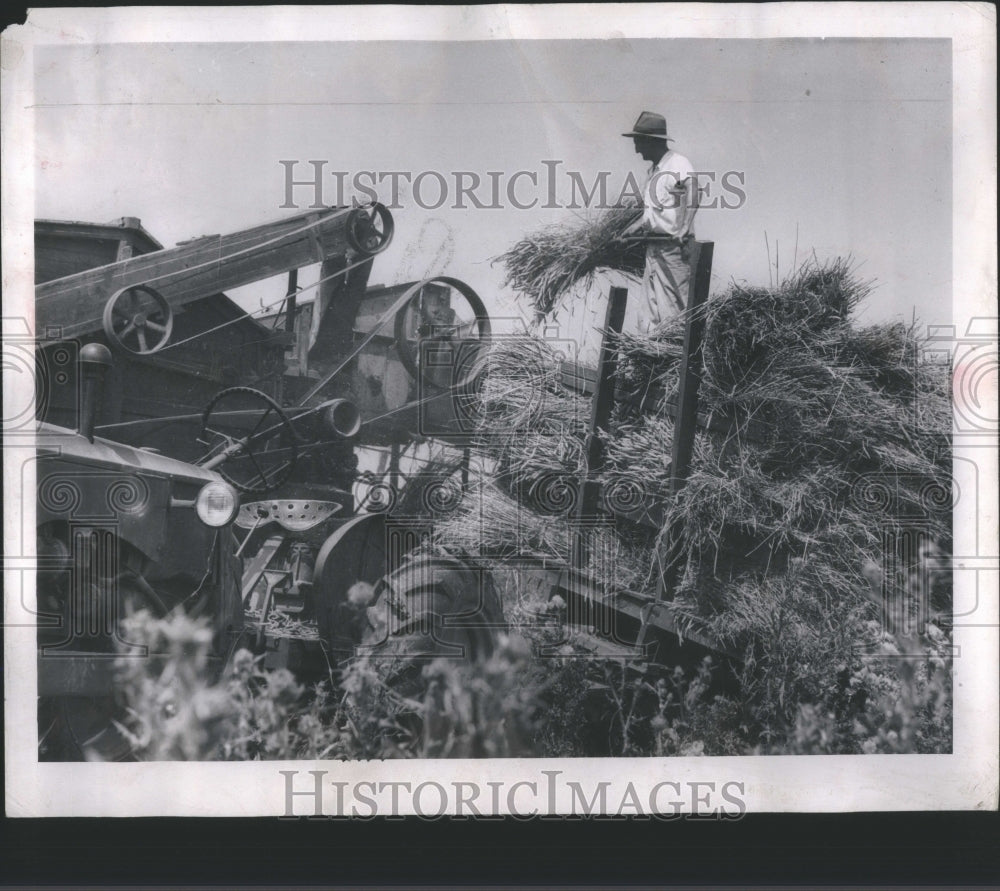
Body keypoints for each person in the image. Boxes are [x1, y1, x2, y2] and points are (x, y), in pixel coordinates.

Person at [619, 111, 699, 330]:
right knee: (649, 314)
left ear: (650, 141)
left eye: (638, 141)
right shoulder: (653, 172)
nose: (636, 148)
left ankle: (676, 359)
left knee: (674, 312)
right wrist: (631, 231)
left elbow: (694, 189)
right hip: (653, 249)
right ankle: (653, 360)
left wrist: (684, 227)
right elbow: (652, 216)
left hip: (673, 249)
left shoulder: (677, 163)